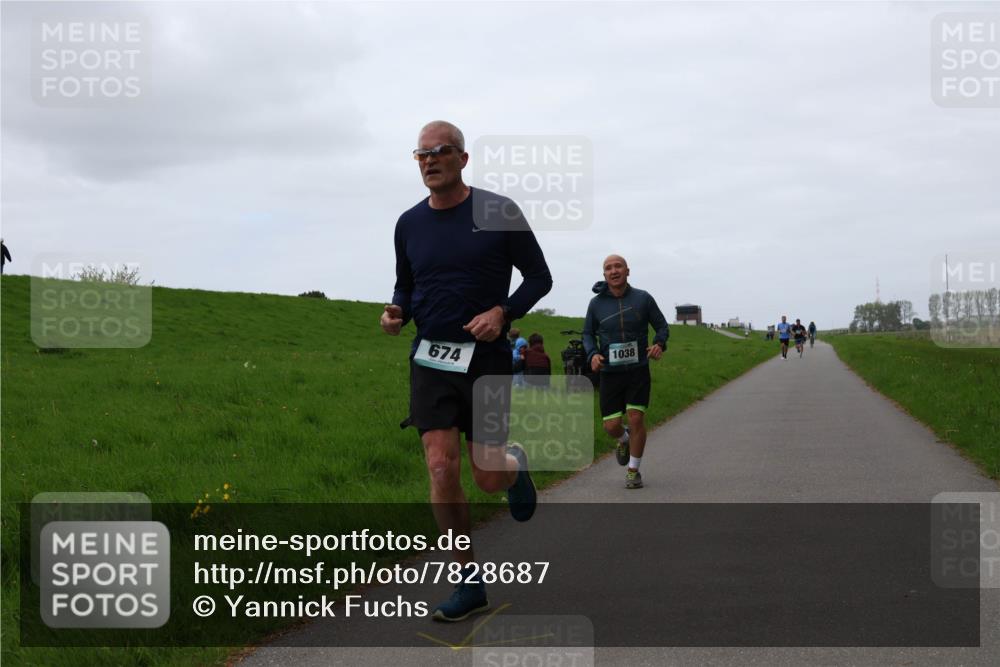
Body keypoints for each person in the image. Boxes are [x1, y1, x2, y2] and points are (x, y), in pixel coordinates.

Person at [381, 120, 553, 622]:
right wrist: (396, 312)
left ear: (462, 158)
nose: (429, 160)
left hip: (487, 359)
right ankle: (467, 581)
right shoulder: (408, 224)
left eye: (440, 151)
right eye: (421, 154)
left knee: (487, 477)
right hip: (431, 359)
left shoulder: (499, 212)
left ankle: (513, 467)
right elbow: (406, 285)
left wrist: (503, 312)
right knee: (439, 466)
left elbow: (539, 277)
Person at [583, 255, 669, 489]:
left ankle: (633, 471)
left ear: (627, 271)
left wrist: (659, 344)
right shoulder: (596, 304)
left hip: (637, 370)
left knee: (636, 418)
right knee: (611, 426)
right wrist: (592, 354)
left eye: (618, 266)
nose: (614, 271)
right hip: (610, 372)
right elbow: (587, 333)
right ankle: (624, 439)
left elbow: (662, 326)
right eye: (608, 268)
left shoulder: (643, 298)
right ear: (604, 275)